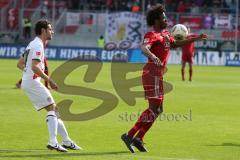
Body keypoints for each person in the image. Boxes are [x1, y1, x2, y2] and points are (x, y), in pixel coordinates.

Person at [121, 4, 207, 153]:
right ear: (156, 20)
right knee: (153, 108)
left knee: (159, 109)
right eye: (163, 17)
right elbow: (143, 47)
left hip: (158, 75)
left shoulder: (166, 34)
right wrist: (153, 56)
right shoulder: (151, 35)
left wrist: (195, 38)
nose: (166, 19)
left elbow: (176, 43)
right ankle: (129, 135)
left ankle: (138, 138)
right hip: (151, 73)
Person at [18, 19, 82, 152]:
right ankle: (53, 142)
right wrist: (50, 81)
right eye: (50, 29)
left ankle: (66, 141)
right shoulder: (37, 46)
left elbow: (20, 64)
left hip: (30, 82)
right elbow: (35, 67)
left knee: (54, 110)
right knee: (53, 109)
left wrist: (27, 73)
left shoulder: (33, 43)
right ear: (43, 30)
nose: (52, 31)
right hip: (33, 83)